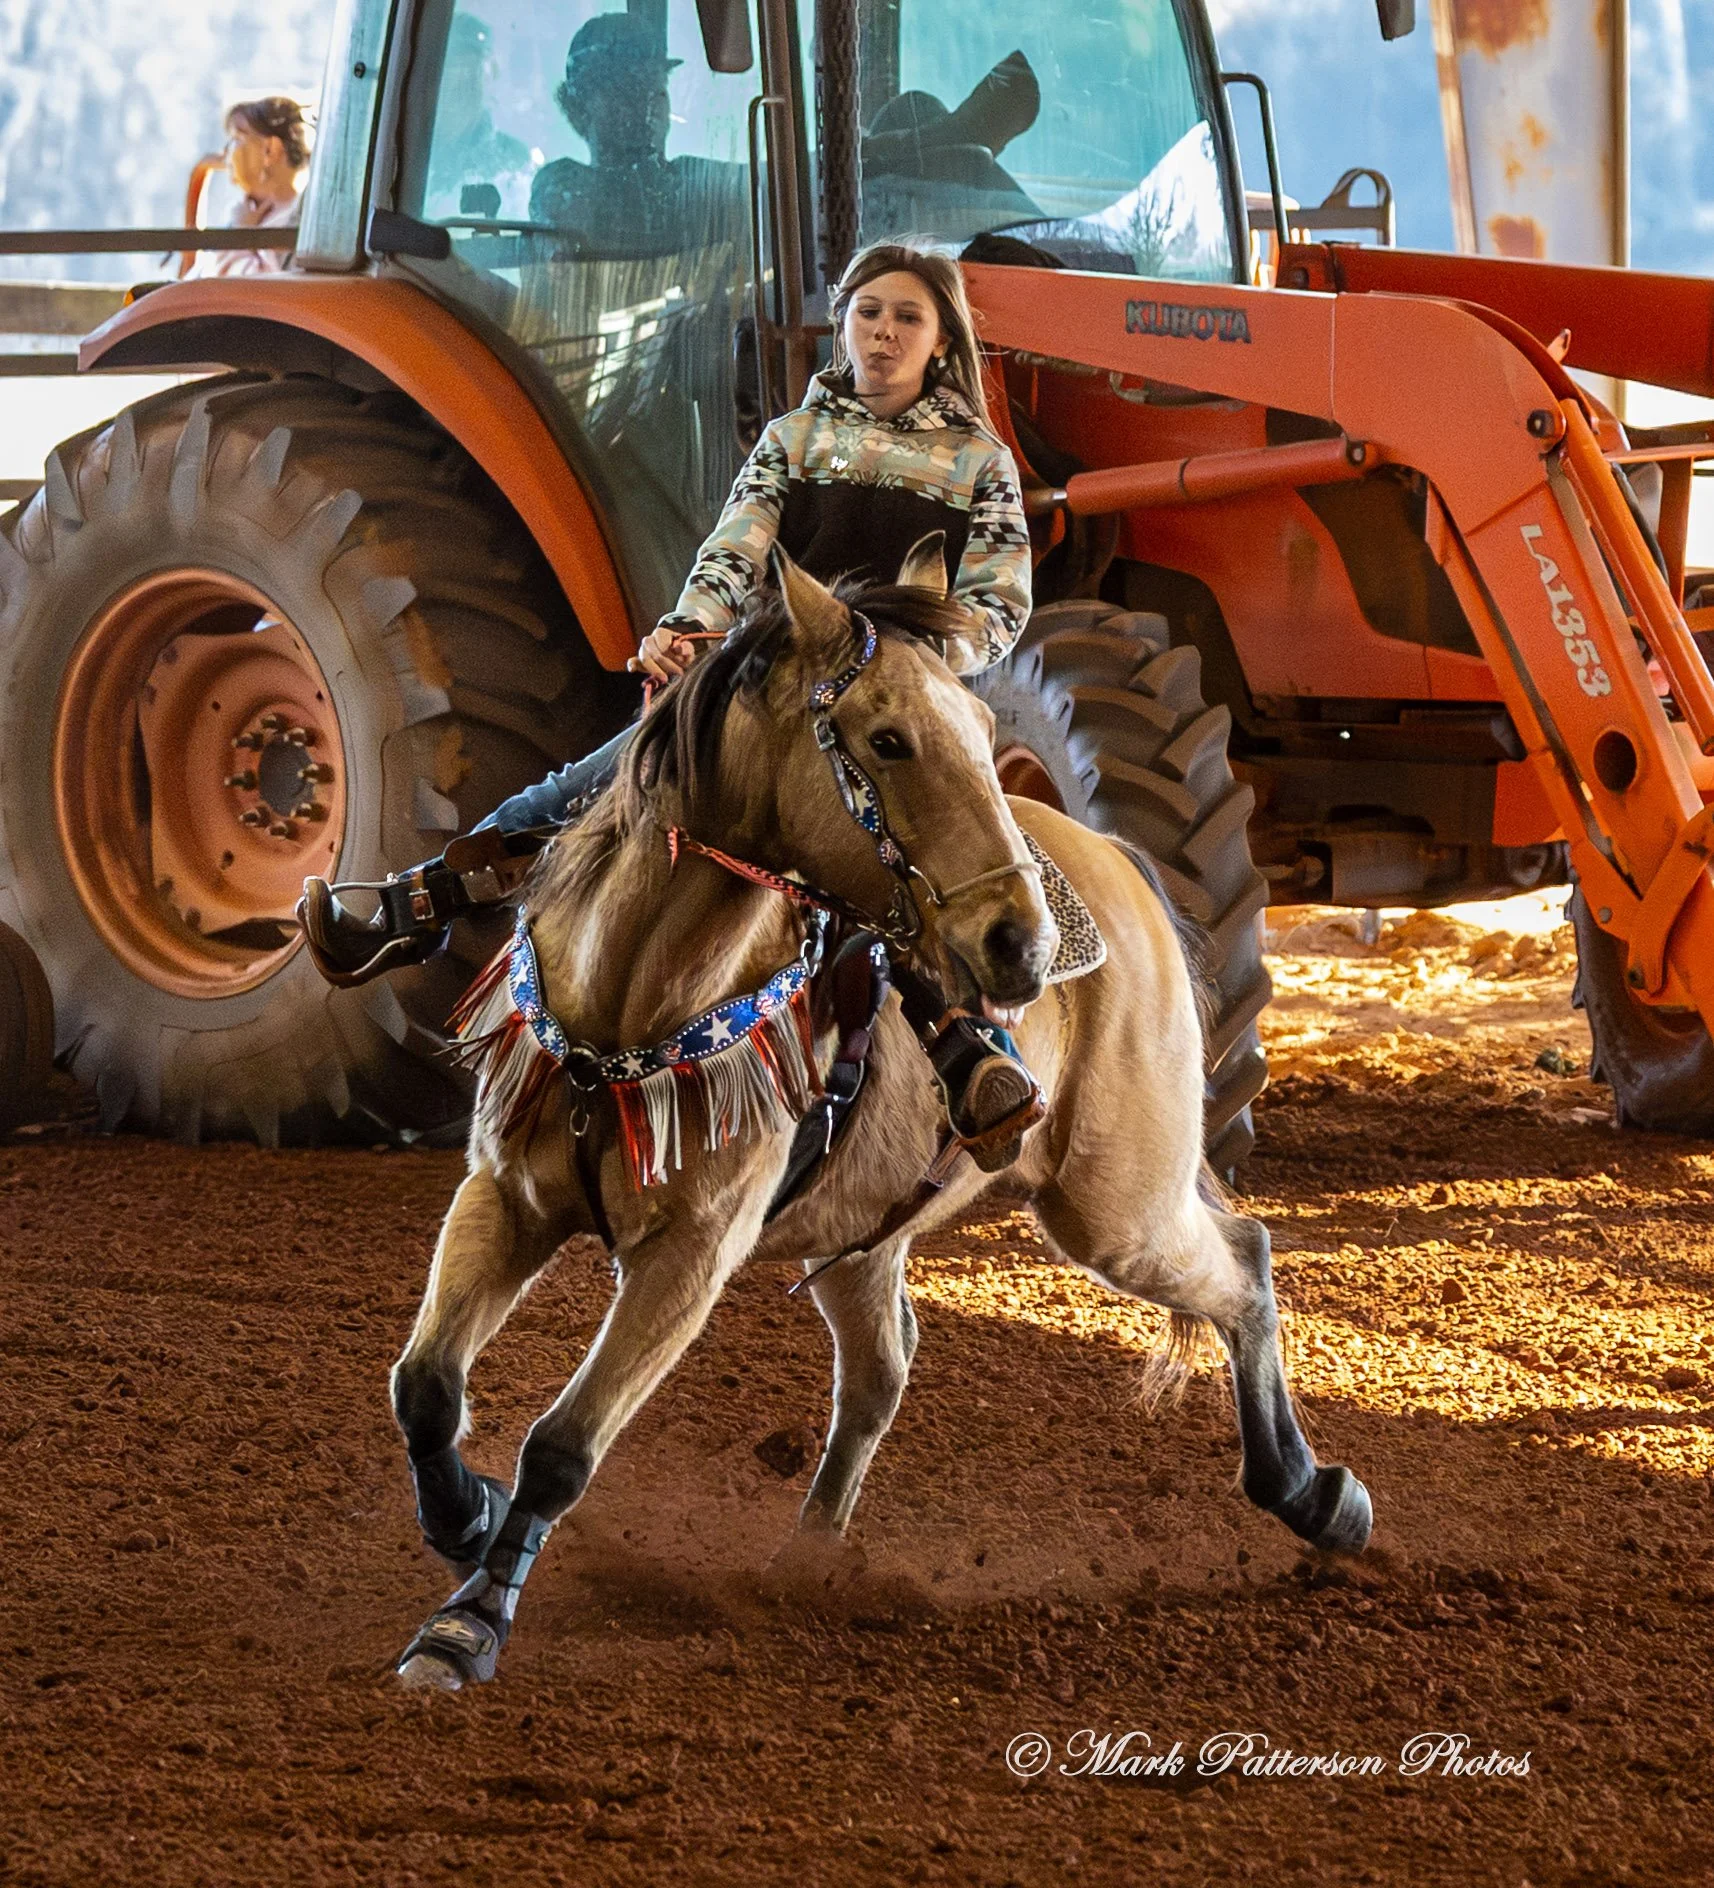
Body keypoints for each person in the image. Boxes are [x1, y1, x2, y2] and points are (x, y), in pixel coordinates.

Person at [301, 240, 1040, 1159]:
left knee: (906, 853)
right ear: (844, 325)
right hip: (774, 683)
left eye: (908, 319)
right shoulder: (793, 441)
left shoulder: (978, 461)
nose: (884, 334)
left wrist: (908, 660)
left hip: (894, 704)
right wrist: (689, 629)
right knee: (600, 776)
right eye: (869, 314)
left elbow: (1001, 603)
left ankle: (972, 1050)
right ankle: (409, 912)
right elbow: (737, 548)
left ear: (940, 340)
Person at [528, 12, 746, 256]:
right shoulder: (564, 187)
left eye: (657, 86)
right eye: (626, 88)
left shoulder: (696, 183)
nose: (646, 103)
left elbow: (774, 188)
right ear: (579, 108)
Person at [424, 14, 534, 222]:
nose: (465, 80)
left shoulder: (513, 160)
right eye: (455, 65)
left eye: (474, 69)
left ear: (489, 75)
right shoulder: (407, 149)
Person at [197, 96, 311, 277]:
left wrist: (241, 235)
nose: (227, 152)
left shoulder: (296, 223)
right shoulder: (245, 212)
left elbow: (244, 292)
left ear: (271, 149)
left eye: (237, 139)